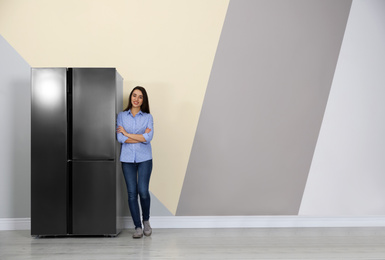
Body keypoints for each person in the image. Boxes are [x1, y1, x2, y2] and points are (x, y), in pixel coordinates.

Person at [116, 86, 154, 238]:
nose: (136, 99)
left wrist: (127, 133)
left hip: (145, 158)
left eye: (140, 97)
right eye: (134, 95)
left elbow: (148, 138)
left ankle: (146, 221)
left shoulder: (148, 117)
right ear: (130, 97)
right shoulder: (121, 116)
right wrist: (139, 136)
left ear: (143, 100)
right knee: (132, 193)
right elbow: (120, 139)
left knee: (143, 191)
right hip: (127, 159)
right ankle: (137, 227)